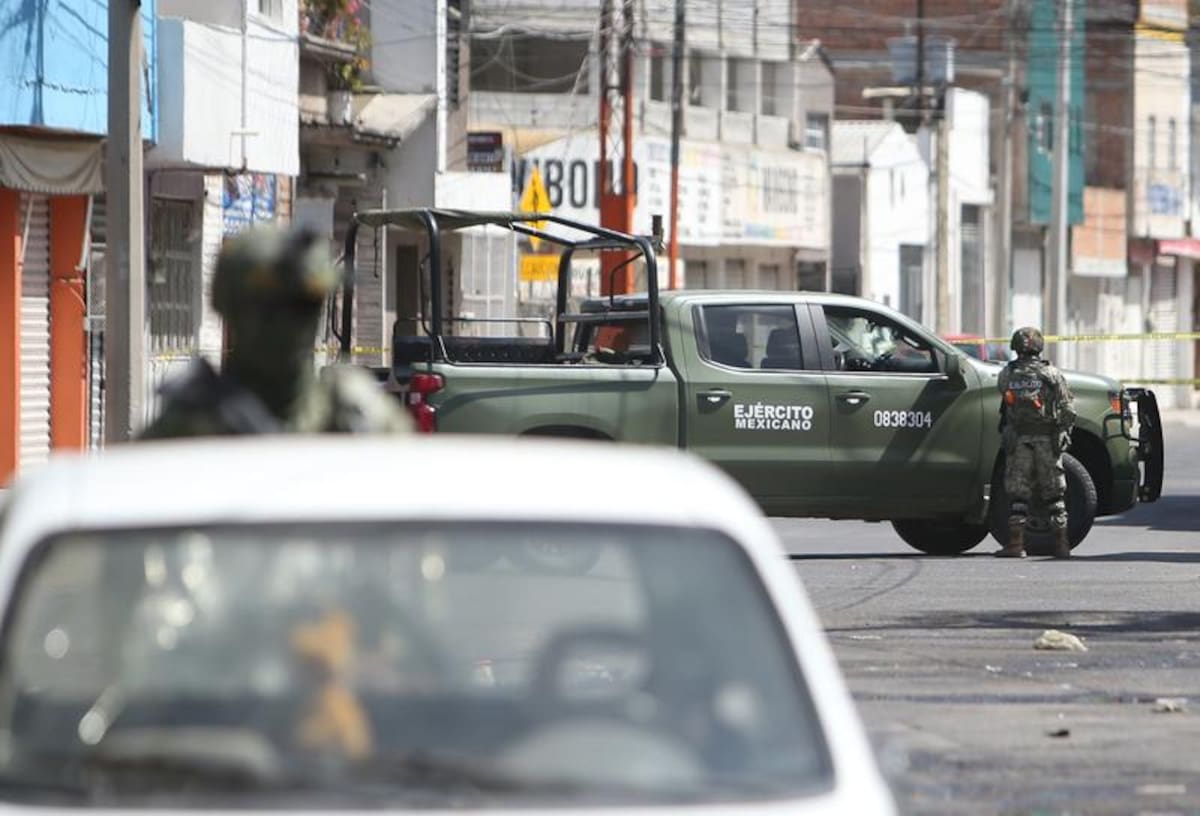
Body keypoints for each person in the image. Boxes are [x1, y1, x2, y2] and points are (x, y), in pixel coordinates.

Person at [140, 224, 412, 438]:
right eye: (270, 307)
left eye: (305, 305)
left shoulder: (361, 418)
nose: (292, 325)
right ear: (229, 307)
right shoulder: (188, 429)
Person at [995, 327, 1076, 559]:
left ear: (1016, 347)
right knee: (1054, 495)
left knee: (1018, 495)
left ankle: (1016, 545)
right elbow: (1068, 408)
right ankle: (1062, 546)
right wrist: (1062, 431)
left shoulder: (1007, 374)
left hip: (1019, 440)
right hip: (1047, 441)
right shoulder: (1051, 374)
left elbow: (1004, 400)